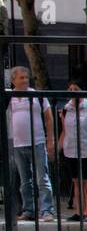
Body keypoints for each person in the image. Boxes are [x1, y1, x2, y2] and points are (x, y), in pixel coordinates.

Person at [5, 66, 55, 222]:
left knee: (42, 178)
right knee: (25, 181)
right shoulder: (8, 97)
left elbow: (48, 118)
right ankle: (29, 210)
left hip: (37, 142)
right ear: (13, 80)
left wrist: (50, 139)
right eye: (21, 78)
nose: (25, 80)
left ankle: (47, 210)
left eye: (27, 77)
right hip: (18, 144)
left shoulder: (36, 96)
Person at [59, 83, 87, 223]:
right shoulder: (65, 110)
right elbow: (64, 131)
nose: (73, 92)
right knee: (77, 182)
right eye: (70, 89)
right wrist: (57, 147)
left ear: (82, 90)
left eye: (76, 89)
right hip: (71, 150)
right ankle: (79, 212)